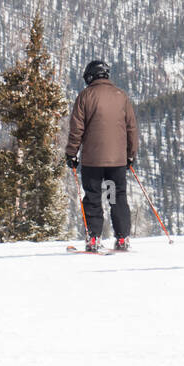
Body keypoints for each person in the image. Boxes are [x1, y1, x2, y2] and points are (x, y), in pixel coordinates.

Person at [65, 59, 138, 252]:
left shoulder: (85, 96)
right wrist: (130, 155)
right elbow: (131, 128)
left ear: (90, 76)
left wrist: (72, 153)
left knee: (93, 198)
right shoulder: (121, 96)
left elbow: (76, 129)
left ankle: (94, 238)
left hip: (93, 161)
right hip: (116, 162)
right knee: (116, 197)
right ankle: (122, 239)